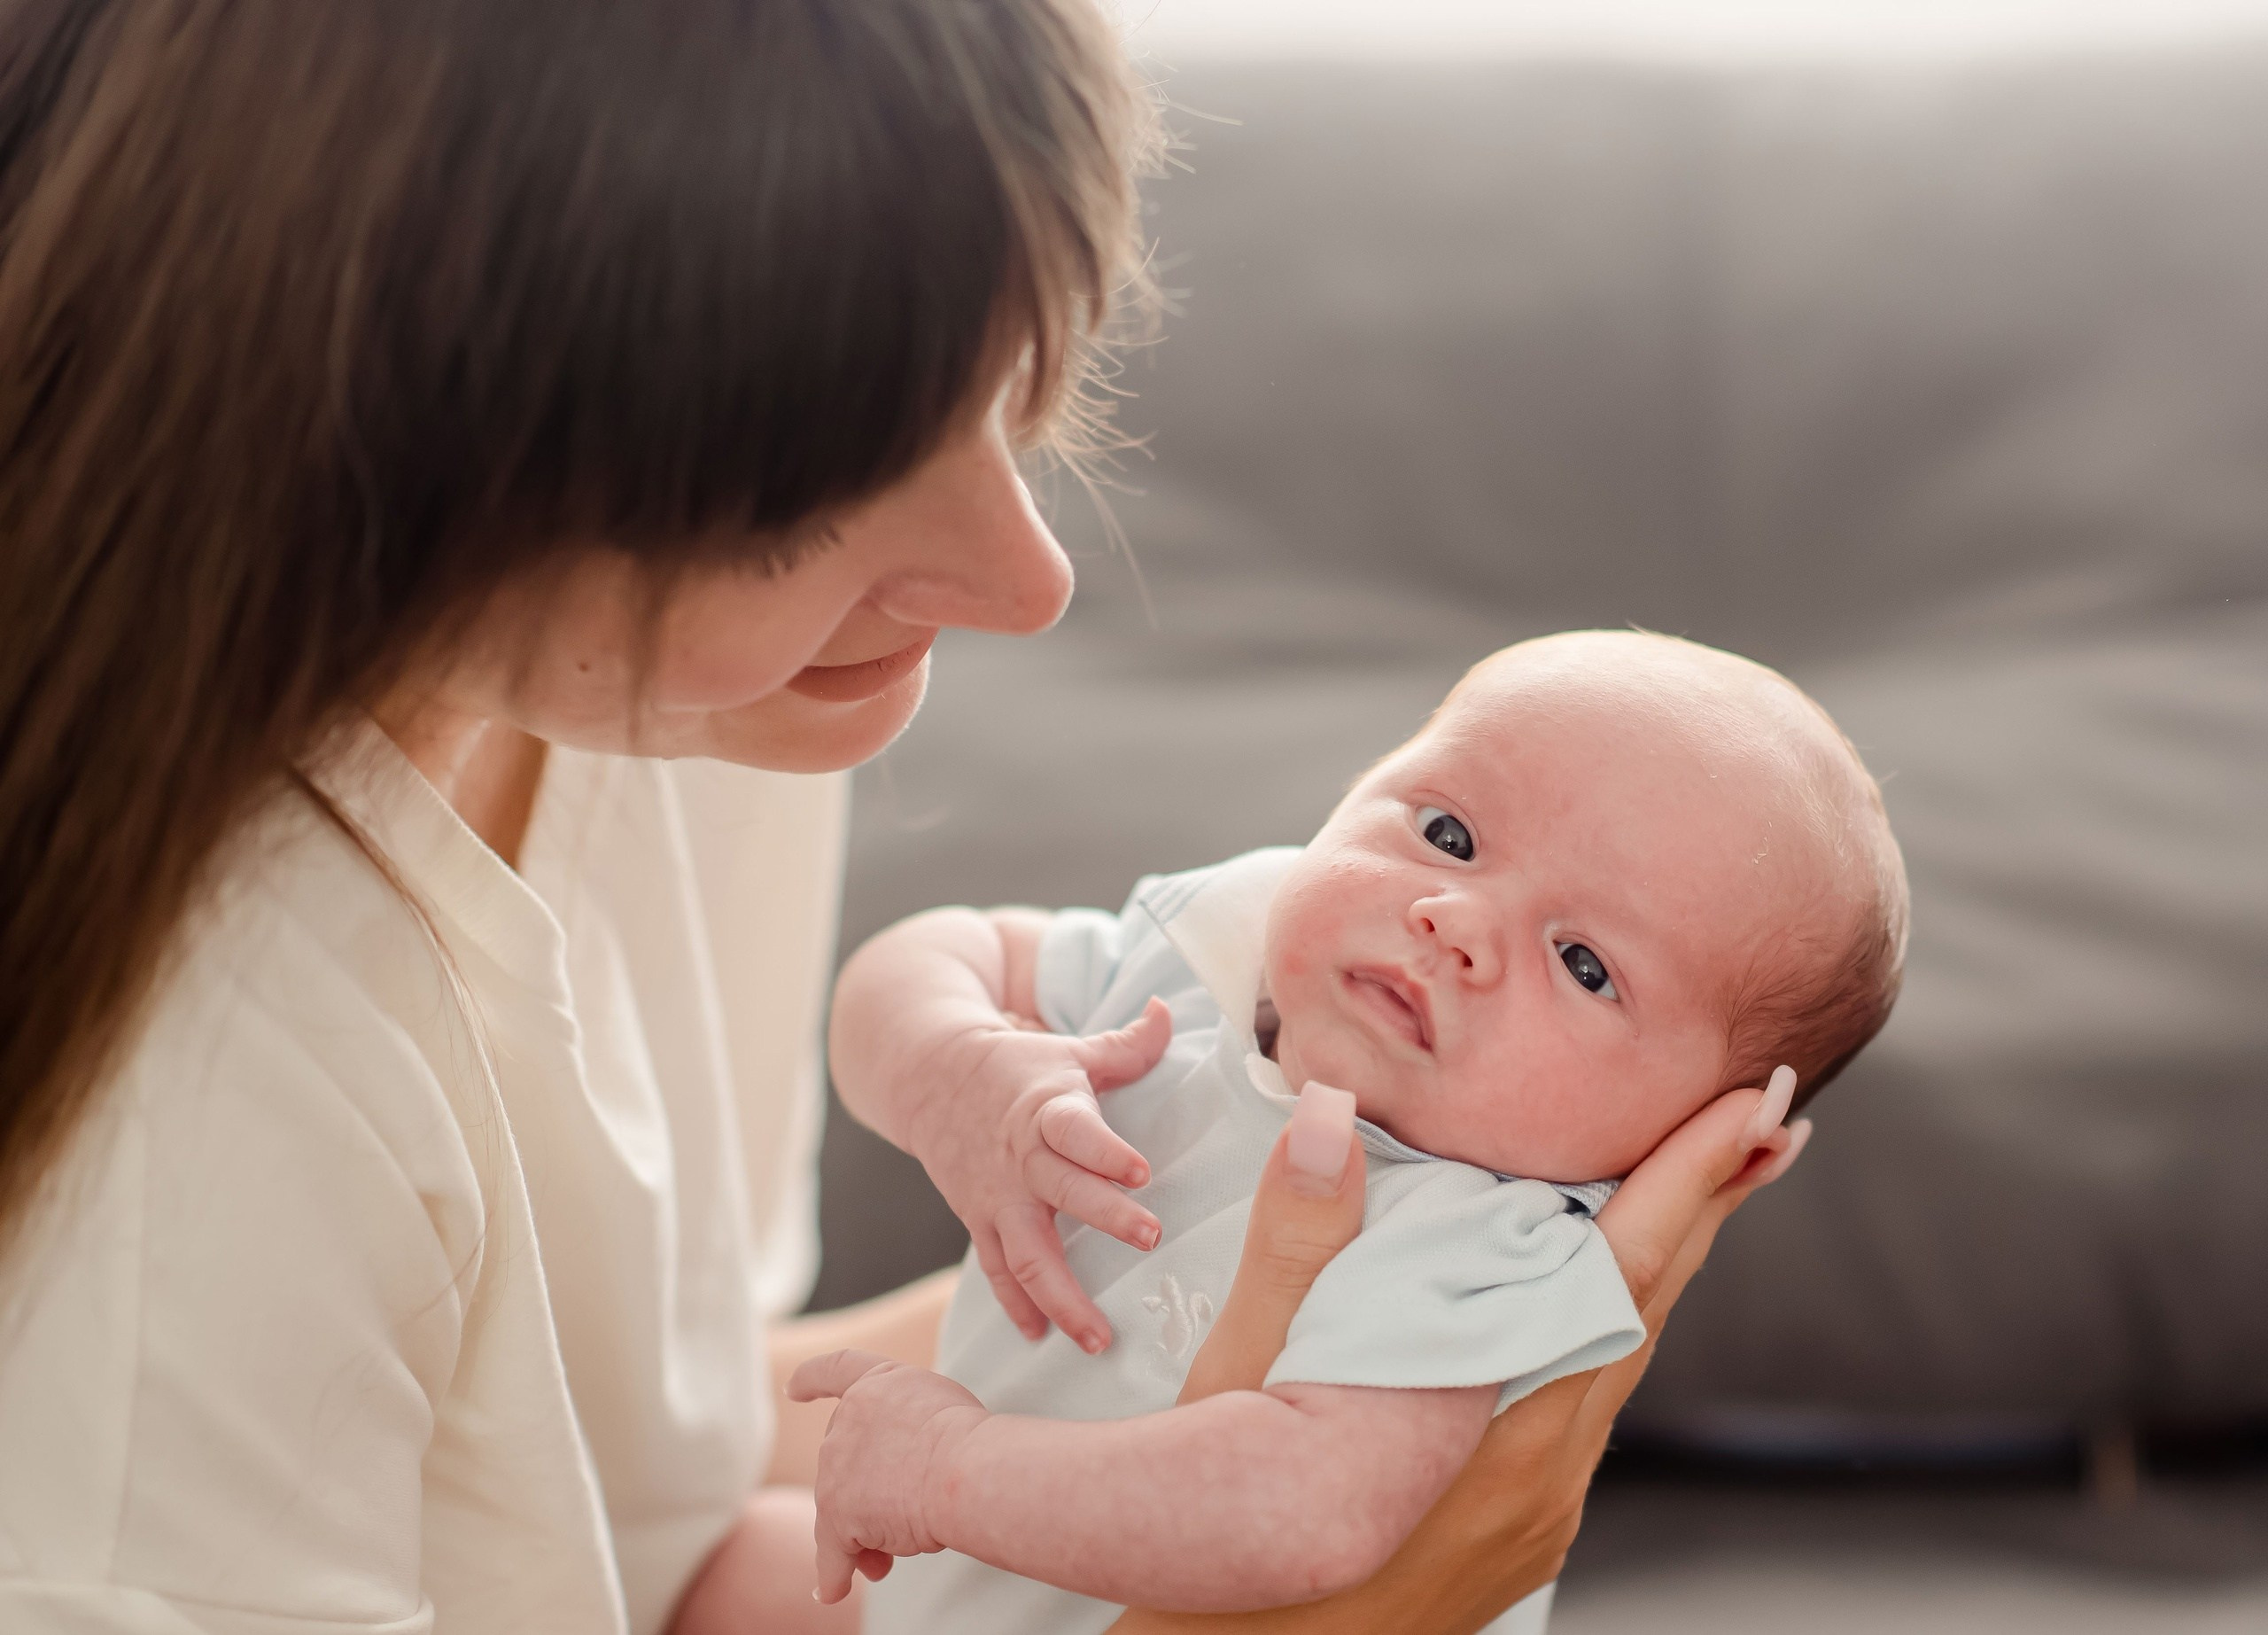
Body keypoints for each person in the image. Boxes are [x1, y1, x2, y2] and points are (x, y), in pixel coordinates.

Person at [0, 4, 1806, 1632]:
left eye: (1007, 389)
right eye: (808, 502)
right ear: (390, 468)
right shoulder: (195, 1139)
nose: (1028, 584)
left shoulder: (697, 704)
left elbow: (590, 1439)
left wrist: (1070, 1370)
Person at [793, 631, 1902, 1633]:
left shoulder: (1483, 1242)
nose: (1455, 921)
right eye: (1448, 834)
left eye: (1584, 965)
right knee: (719, 1569)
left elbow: (1303, 1515)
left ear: (1702, 1139)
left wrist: (948, 1472)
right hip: (922, 1586)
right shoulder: (1220, 955)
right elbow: (949, 953)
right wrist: (947, 1063)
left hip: (966, 1534)